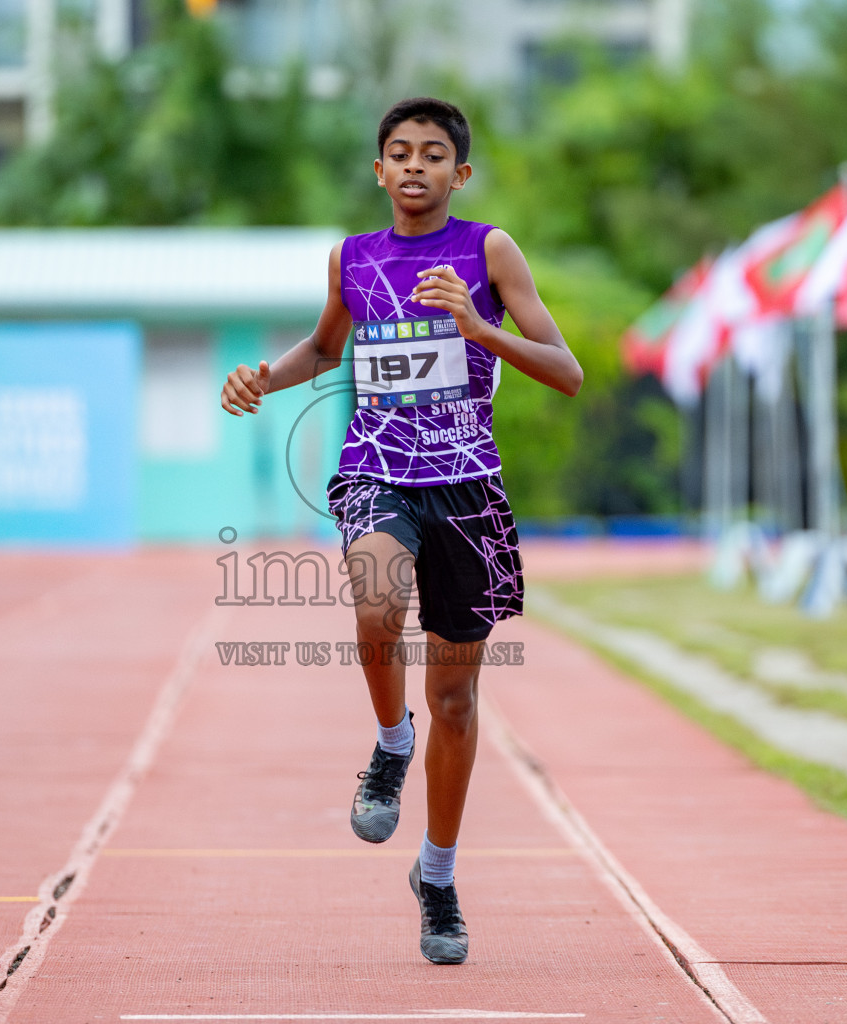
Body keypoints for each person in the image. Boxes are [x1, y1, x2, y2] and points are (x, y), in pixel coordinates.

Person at [220, 97, 582, 964]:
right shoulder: (353, 258)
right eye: (397, 153)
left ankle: (438, 875)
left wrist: (478, 326)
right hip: (377, 469)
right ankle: (390, 745)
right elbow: (323, 349)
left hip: (469, 490)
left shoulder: (489, 251)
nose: (413, 166)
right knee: (377, 604)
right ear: (379, 171)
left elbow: (565, 371)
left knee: (455, 700)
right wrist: (262, 380)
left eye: (432, 155)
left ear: (459, 174)